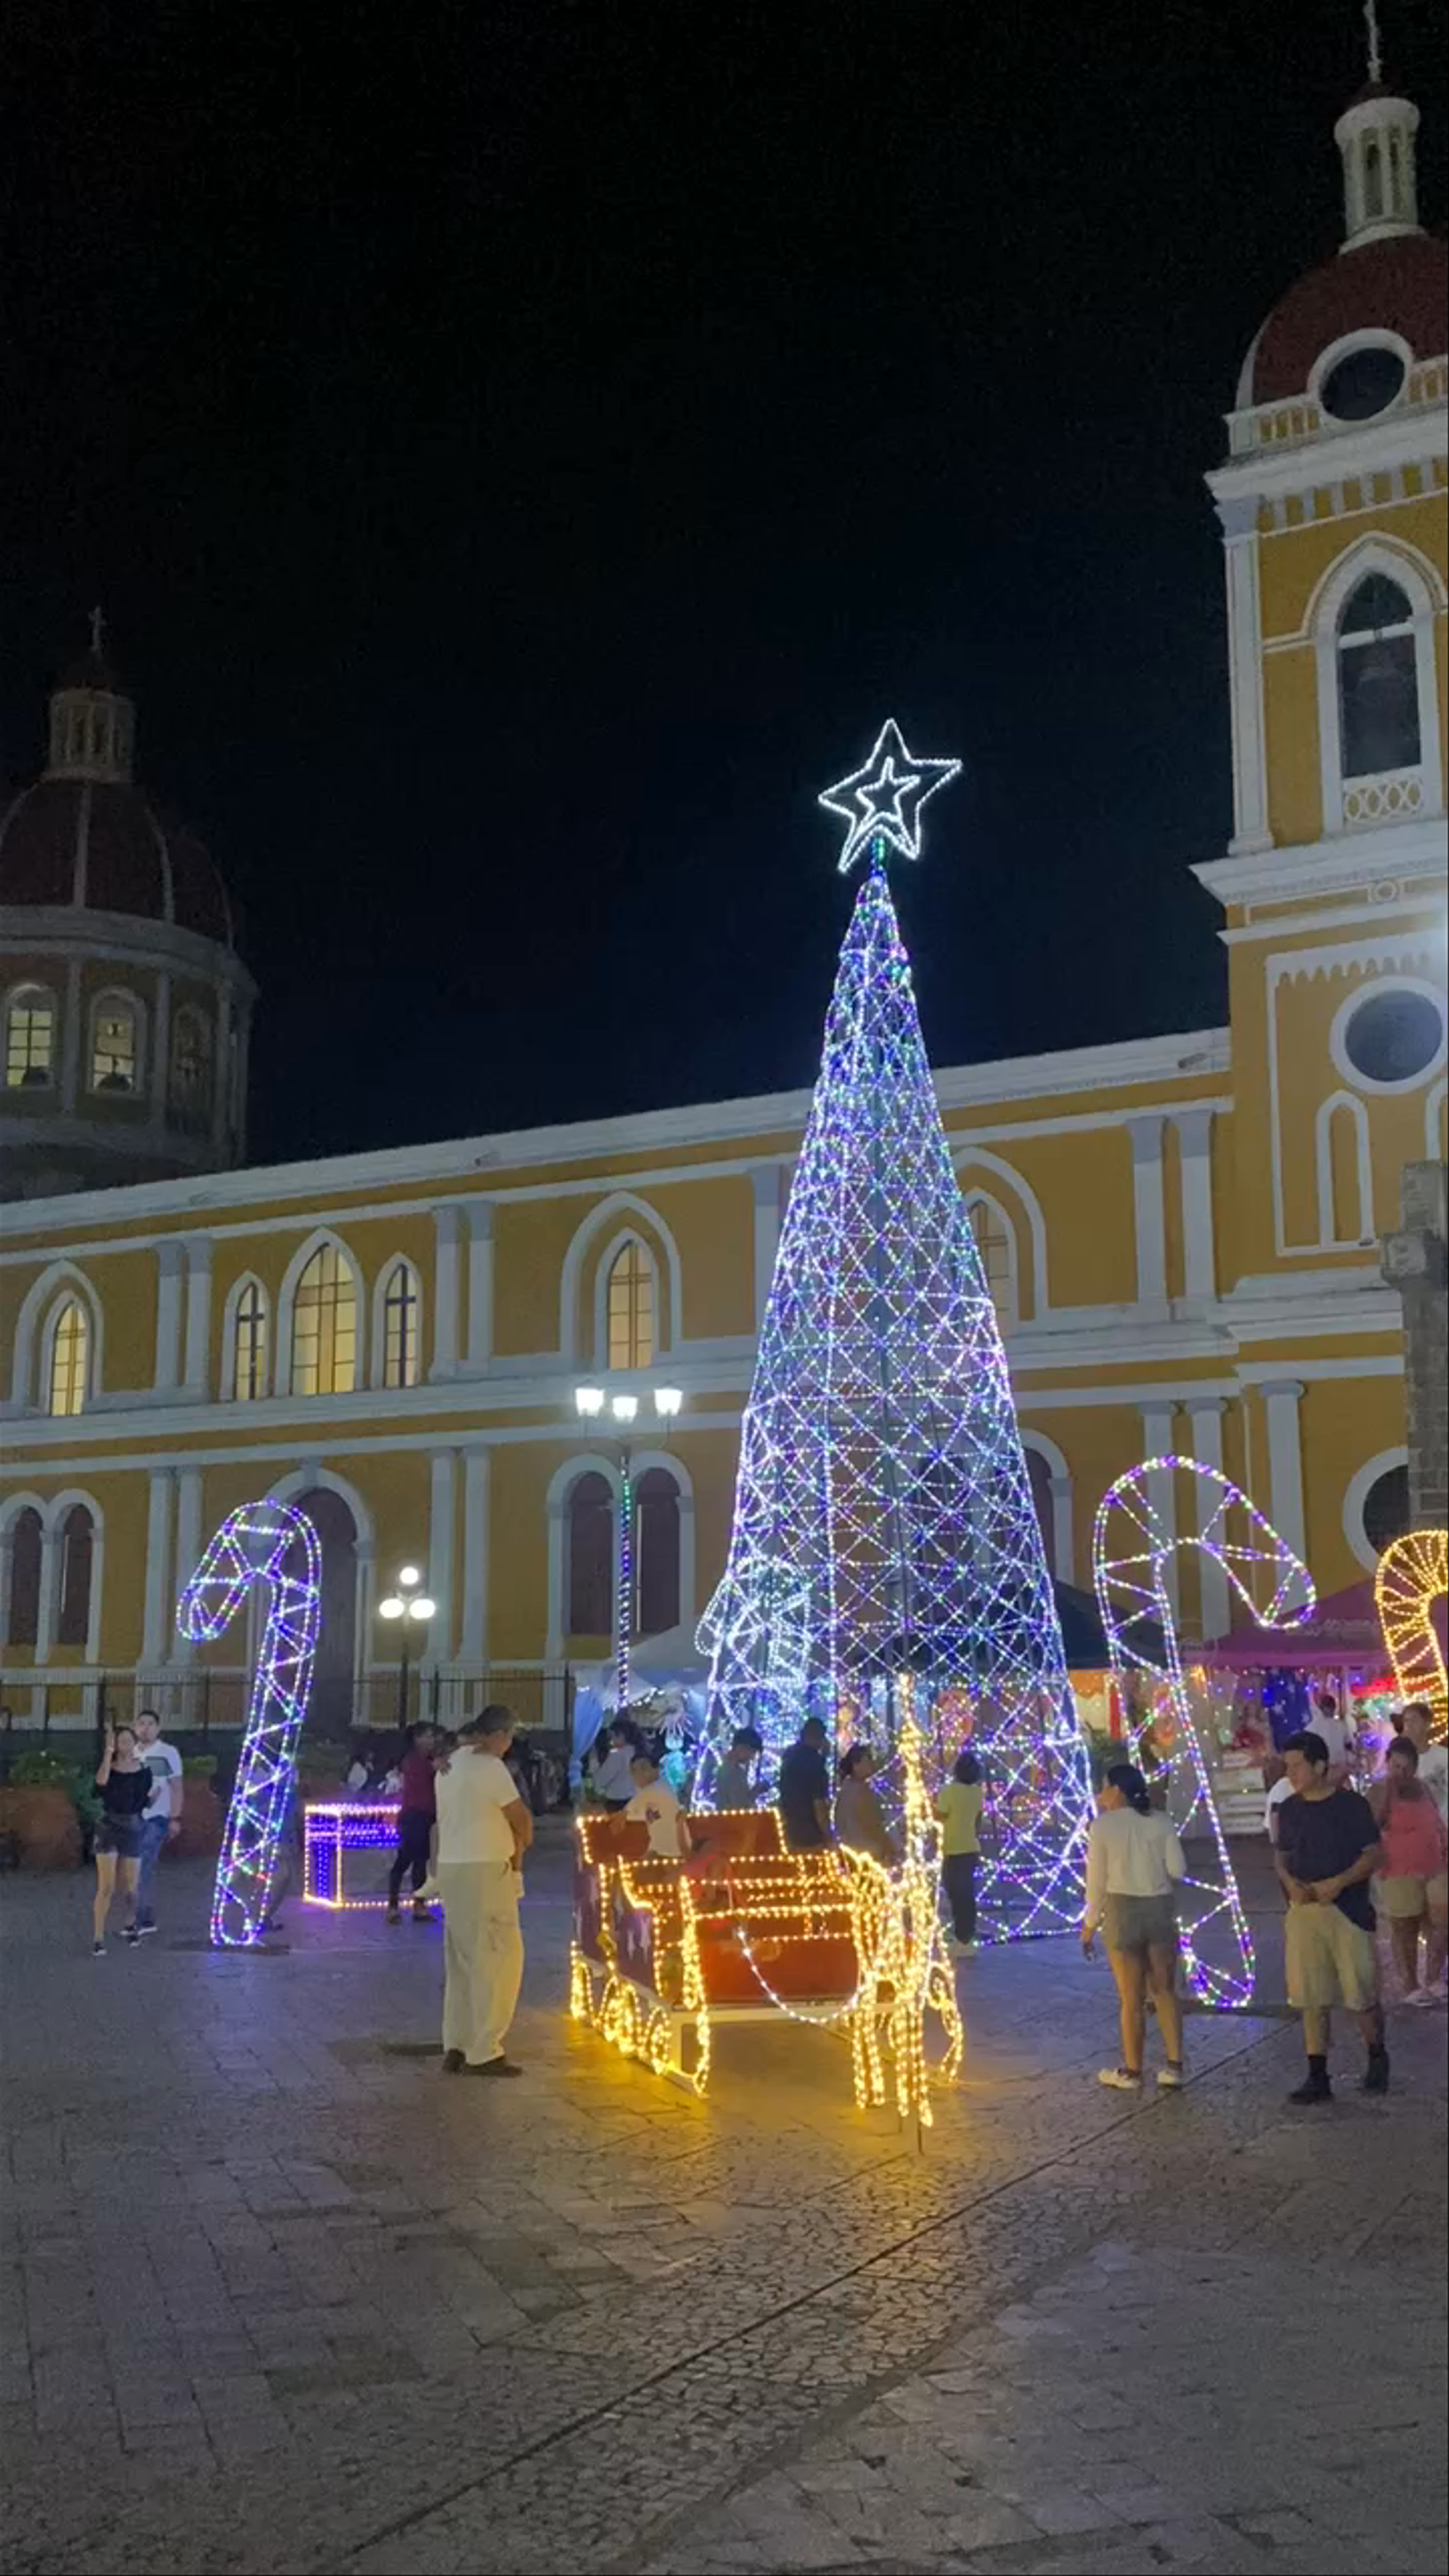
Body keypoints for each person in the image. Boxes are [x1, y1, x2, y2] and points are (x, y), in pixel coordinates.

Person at [1275, 1730, 1387, 2103]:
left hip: (1348, 1910)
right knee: (1311, 1996)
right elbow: (1282, 1853)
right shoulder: (1289, 1808)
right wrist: (1291, 1882)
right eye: (1287, 1766)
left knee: (1361, 1992)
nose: (1291, 1773)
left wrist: (1339, 1883)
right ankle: (1317, 2072)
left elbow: (1373, 1853)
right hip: (1304, 1909)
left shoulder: (1351, 1806)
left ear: (1320, 1765)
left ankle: (1376, 2055)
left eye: (1297, 1765)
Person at [433, 1706, 532, 2076]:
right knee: (497, 1959)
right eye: (508, 1738)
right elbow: (520, 1815)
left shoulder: (449, 1765)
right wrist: (524, 1842)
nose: (508, 1747)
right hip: (485, 1870)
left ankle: (456, 2043)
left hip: (453, 1868)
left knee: (461, 1961)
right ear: (498, 1734)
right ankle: (485, 2048)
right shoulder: (490, 1766)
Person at [1081, 1761, 1187, 2092]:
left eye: (1104, 1787)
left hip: (1122, 1912)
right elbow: (1179, 1869)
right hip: (1159, 1910)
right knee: (1166, 1991)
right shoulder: (1161, 1821)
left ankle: (1132, 2071)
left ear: (1117, 1790)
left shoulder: (1103, 1827)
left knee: (1131, 1998)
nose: (1100, 1794)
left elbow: (1096, 1883)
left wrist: (1089, 1925)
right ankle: (1174, 2066)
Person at [1368, 1735, 1449, 2004]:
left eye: (1405, 1767)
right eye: (1395, 1766)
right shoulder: (1382, 1790)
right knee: (1405, 1927)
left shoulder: (1423, 1788)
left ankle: (1434, 1977)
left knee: (1442, 1922)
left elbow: (1437, 1820)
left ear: (1415, 1767)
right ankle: (1411, 1984)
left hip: (1435, 1865)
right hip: (1399, 1869)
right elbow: (1370, 1828)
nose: (1400, 1772)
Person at [92, 1724, 151, 1954]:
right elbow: (101, 1784)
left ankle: (130, 1922)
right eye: (119, 1741)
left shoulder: (144, 1771)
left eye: (128, 1740)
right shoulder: (109, 1767)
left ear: (135, 1743)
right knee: (106, 1886)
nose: (124, 1745)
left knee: (131, 1886)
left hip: (133, 1826)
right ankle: (98, 1936)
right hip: (108, 1826)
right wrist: (108, 1754)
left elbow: (143, 1800)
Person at [131, 1707, 183, 1939]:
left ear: (158, 1728)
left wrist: (175, 1817)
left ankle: (143, 1917)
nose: (146, 1729)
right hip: (133, 1818)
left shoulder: (167, 1753)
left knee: (144, 1864)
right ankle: (141, 1915)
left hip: (157, 1818)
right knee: (135, 1868)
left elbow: (177, 1786)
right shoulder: (131, 1753)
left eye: (150, 1724)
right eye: (142, 1724)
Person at [386, 1722, 437, 1924]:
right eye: (427, 1736)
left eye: (432, 1737)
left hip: (427, 1817)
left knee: (421, 1863)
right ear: (416, 1739)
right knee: (405, 1860)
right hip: (413, 1817)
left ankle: (419, 1905)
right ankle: (393, 1906)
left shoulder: (427, 1760)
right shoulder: (413, 1761)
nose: (431, 1741)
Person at [935, 1748, 984, 1952]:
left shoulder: (949, 1792)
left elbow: (940, 1816)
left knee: (955, 1892)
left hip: (952, 1849)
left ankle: (962, 1938)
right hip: (970, 1849)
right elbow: (978, 1821)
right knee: (966, 1894)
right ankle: (966, 1937)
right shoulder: (977, 1793)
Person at [620, 1749, 692, 1859]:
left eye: (644, 1768)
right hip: (660, 1850)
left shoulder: (659, 1789)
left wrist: (621, 1815)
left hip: (677, 1852)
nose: (639, 1774)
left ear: (657, 1770)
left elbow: (628, 1811)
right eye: (634, 1771)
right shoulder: (647, 1795)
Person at [835, 1745, 897, 1865]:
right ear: (856, 1765)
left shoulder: (846, 1788)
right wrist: (888, 1848)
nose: (872, 1764)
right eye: (868, 1760)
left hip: (849, 1852)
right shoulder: (861, 1791)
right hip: (868, 1854)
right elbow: (873, 1825)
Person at [778, 1716, 831, 1851]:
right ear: (821, 1739)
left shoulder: (789, 1757)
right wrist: (828, 1834)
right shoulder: (816, 1764)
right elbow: (818, 1803)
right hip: (810, 1831)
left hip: (789, 1827)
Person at [1396, 1703, 1448, 1821]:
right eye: (1406, 1721)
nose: (1409, 1725)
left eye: (1414, 1720)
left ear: (1427, 1724)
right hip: (1412, 1826)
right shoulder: (1398, 1759)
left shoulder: (1444, 1756)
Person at [588, 1720, 640, 1810]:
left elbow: (600, 1781)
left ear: (622, 1736)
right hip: (637, 1801)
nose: (611, 1742)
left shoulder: (617, 1755)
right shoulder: (640, 1753)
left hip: (617, 1803)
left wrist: (594, 1763)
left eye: (612, 1737)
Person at [713, 1725, 763, 1810]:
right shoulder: (733, 1772)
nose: (752, 1758)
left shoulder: (727, 1768)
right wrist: (755, 1793)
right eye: (752, 1752)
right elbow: (741, 1807)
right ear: (741, 1747)